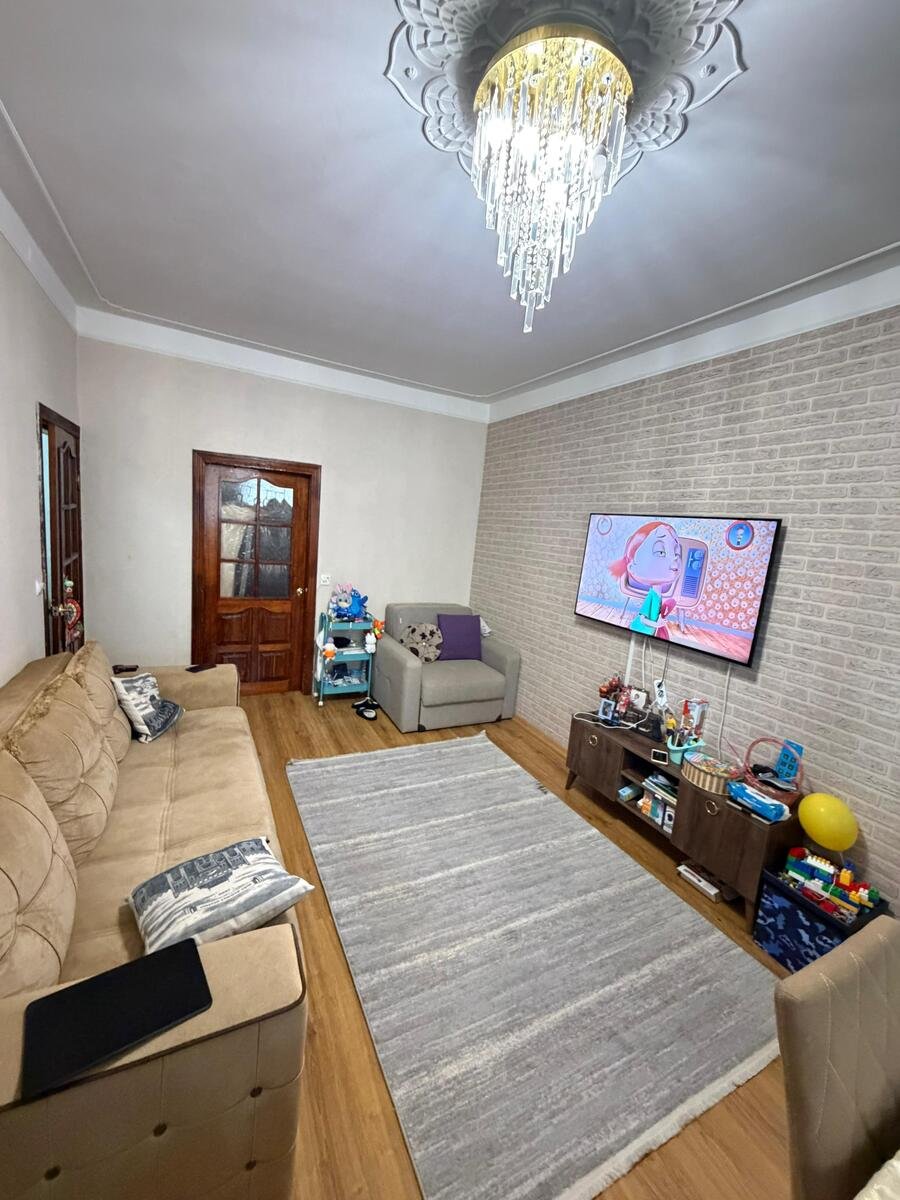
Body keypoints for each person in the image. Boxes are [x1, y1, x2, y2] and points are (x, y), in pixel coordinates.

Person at [609, 521, 682, 639]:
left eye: (677, 553)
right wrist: (656, 624)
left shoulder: (657, 595)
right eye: (661, 552)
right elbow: (642, 618)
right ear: (632, 567)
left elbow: (655, 613)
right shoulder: (652, 595)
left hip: (648, 632)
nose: (674, 559)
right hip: (639, 629)